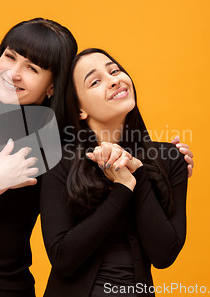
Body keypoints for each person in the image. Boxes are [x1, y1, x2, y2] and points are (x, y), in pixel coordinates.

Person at [0, 19, 194, 297]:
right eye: (10, 57)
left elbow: (101, 174)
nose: (13, 73)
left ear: (52, 87)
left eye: (31, 67)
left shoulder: (58, 144)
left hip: (16, 289)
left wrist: (166, 167)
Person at [41, 48, 189, 296]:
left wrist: (138, 174)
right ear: (79, 110)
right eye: (95, 81)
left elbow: (164, 254)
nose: (113, 80)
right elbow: (63, 258)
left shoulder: (170, 157)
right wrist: (121, 189)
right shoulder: (61, 160)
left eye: (115, 71)